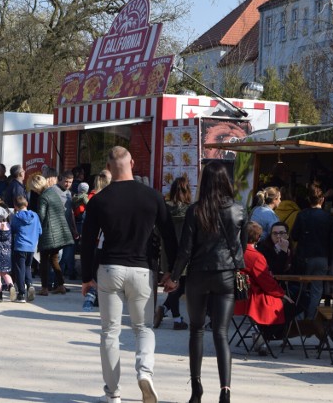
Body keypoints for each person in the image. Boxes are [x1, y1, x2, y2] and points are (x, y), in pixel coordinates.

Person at [81, 146, 177, 403]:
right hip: (143, 270)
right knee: (143, 328)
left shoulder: (99, 200)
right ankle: (144, 372)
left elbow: (88, 241)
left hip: (110, 268)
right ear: (132, 163)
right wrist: (172, 272)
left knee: (109, 332)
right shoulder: (152, 197)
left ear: (109, 168)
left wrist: (86, 277)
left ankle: (113, 393)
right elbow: (169, 236)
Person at [162, 161, 247, 403]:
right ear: (226, 182)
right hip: (226, 275)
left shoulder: (195, 210)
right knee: (221, 332)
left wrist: (175, 277)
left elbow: (185, 250)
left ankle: (196, 388)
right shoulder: (239, 210)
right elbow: (242, 248)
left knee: (196, 331)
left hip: (198, 275)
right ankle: (225, 391)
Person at [235, 222, 295, 355]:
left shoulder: (236, 252)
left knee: (289, 303)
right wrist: (281, 294)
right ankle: (264, 335)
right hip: (253, 296)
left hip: (239, 293)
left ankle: (262, 334)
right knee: (289, 305)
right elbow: (266, 281)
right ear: (258, 237)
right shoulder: (255, 256)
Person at [290, 184, 333, 320]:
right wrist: (330, 261)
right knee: (317, 289)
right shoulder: (328, 217)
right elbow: (332, 241)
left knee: (301, 287)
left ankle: (298, 316)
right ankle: (310, 318)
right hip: (322, 257)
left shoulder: (302, 215)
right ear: (322, 200)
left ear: (309, 200)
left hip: (304, 256)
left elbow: (295, 236)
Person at [154, 176, 191, 330]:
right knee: (181, 286)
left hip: (167, 253)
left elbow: (157, 230)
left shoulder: (165, 208)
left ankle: (166, 309)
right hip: (185, 252)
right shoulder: (191, 210)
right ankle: (176, 319)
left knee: (173, 285)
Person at [29, 174, 73, 296]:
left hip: (49, 232)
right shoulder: (53, 192)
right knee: (54, 259)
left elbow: (41, 216)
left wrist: (35, 228)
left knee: (44, 260)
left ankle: (44, 288)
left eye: (33, 188)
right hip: (60, 231)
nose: (33, 191)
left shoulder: (43, 197)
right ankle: (61, 285)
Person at [10, 195, 41, 303]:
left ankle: (21, 294)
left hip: (20, 246)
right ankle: (30, 285)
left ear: (15, 206)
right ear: (27, 204)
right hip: (31, 247)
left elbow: (12, 230)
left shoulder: (16, 217)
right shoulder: (35, 216)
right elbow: (40, 231)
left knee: (19, 269)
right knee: (28, 267)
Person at [51, 170, 79, 280]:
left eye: (70, 182)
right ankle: (51, 282)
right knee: (57, 257)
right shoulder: (53, 191)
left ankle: (59, 283)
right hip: (56, 229)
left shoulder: (68, 193)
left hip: (67, 230)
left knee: (65, 257)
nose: (68, 184)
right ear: (60, 178)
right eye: (66, 181)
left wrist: (74, 229)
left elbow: (70, 212)